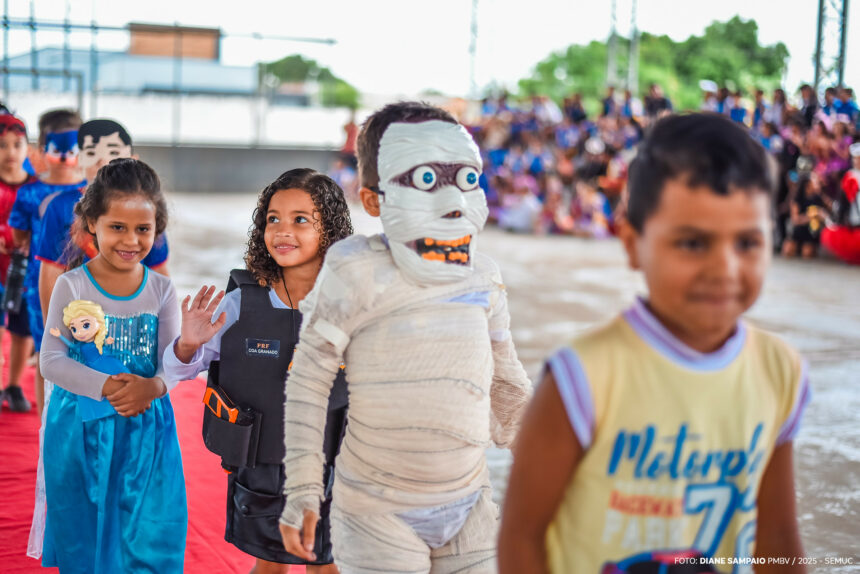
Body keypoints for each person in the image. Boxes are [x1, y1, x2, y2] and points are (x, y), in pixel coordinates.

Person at [499, 113, 810, 573]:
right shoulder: (582, 377)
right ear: (631, 243)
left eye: (748, 242)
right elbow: (521, 538)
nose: (724, 268)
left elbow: (777, 537)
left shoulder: (779, 371)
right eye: (691, 243)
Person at [278, 101, 532, 572]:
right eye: (426, 181)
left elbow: (505, 382)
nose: (454, 203)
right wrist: (304, 489)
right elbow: (307, 383)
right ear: (373, 200)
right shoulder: (355, 271)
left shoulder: (483, 275)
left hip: (470, 501)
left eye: (468, 179)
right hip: (378, 509)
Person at [163, 168, 352, 574]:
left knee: (327, 565)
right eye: (273, 219)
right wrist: (188, 344)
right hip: (263, 461)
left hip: (336, 464)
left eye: (301, 219)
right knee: (269, 565)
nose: (283, 230)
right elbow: (178, 370)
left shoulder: (353, 302)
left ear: (332, 230)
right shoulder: (240, 303)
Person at [39, 158, 185, 572]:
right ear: (92, 224)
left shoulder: (162, 290)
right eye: (117, 227)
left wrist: (153, 387)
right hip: (79, 431)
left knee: (146, 535)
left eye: (143, 229)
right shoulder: (73, 285)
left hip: (146, 431)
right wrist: (108, 387)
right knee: (84, 531)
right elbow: (51, 360)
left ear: (158, 228)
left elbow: (170, 362)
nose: (131, 240)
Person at [35, 119, 169, 336]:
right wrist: (53, 329)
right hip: (78, 317)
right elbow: (50, 270)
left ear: (133, 159)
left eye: (113, 151)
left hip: (131, 320)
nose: (102, 160)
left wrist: (164, 329)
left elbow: (160, 271)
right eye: (91, 152)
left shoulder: (147, 208)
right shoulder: (60, 207)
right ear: (78, 159)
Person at [9, 108, 84, 415]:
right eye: (58, 149)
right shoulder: (30, 193)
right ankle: (46, 421)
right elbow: (19, 236)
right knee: (47, 350)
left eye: (73, 149)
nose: (66, 157)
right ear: (42, 150)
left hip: (87, 282)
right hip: (41, 282)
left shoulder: (94, 190)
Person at [0, 113, 37, 412]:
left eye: (16, 144)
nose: (10, 152)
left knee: (23, 329)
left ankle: (13, 385)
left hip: (25, 274)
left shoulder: (37, 187)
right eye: (2, 145)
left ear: (28, 148)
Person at [783, 172, 832, 259]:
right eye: (815, 182)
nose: (817, 183)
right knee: (788, 251)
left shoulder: (819, 197)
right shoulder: (797, 198)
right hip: (800, 228)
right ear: (807, 184)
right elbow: (795, 219)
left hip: (813, 229)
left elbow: (831, 209)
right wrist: (812, 216)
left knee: (807, 253)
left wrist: (822, 214)